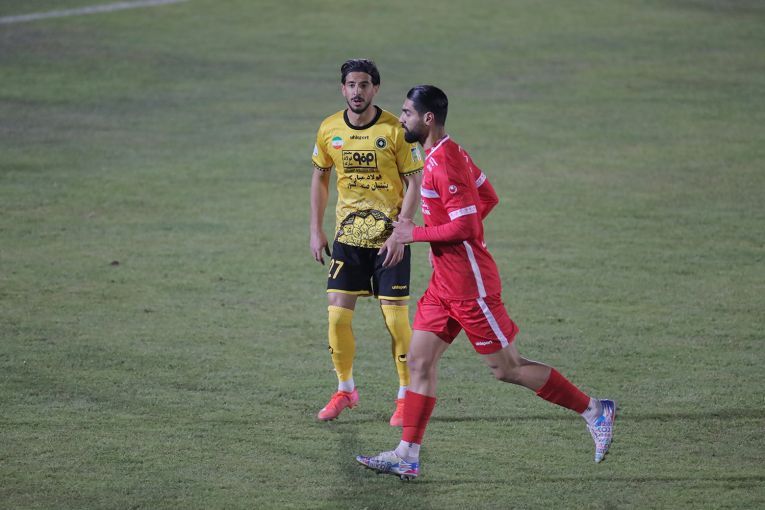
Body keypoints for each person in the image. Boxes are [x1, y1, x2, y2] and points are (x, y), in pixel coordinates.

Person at [356, 85, 615, 479]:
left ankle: (595, 410)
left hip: (470, 289)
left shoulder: (446, 163)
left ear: (428, 118)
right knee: (419, 361)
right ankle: (407, 454)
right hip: (444, 286)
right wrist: (447, 239)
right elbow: (488, 197)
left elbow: (466, 225)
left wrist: (417, 234)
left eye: (407, 113)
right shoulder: (446, 153)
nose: (402, 118)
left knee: (507, 369)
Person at [310, 59, 424, 425]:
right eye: (351, 85)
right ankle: (345, 389)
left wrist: (403, 230)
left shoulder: (395, 130)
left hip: (390, 240)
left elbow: (416, 183)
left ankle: (406, 396)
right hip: (348, 238)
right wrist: (316, 229)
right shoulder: (329, 129)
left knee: (395, 319)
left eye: (363, 85)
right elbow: (320, 178)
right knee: (336, 317)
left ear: (375, 88)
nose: (357, 92)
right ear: (342, 89)